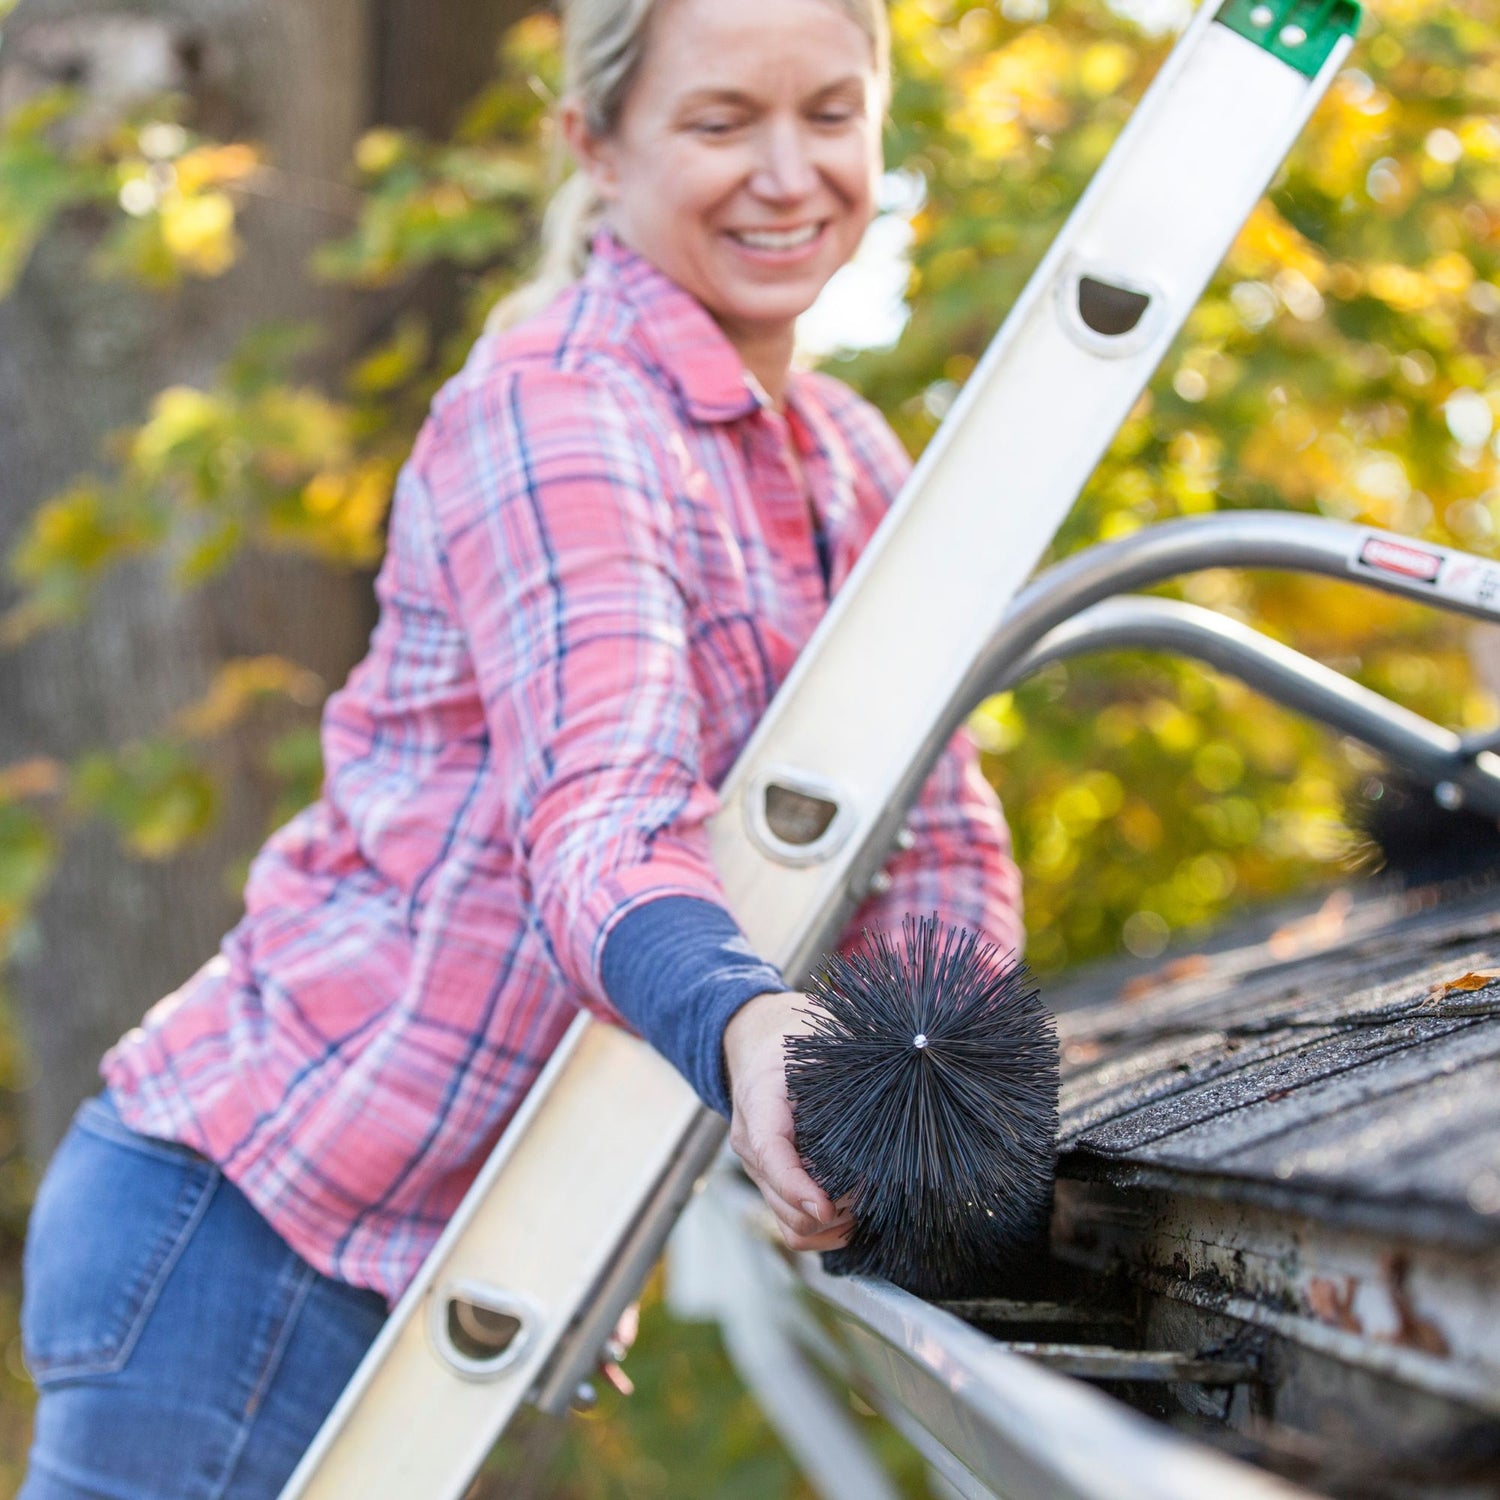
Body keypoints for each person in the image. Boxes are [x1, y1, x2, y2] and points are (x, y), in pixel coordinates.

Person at [18, 0, 1023, 1494]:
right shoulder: (560, 408)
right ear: (594, 149)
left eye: (830, 113)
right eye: (720, 120)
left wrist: (925, 1093)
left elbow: (935, 838)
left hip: (470, 1258)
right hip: (251, 1236)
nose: (788, 170)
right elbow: (600, 815)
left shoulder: (854, 462)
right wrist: (751, 1026)